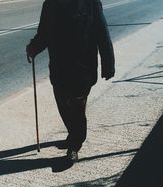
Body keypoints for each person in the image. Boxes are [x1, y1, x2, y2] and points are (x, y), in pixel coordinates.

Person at [26, 0, 115, 164]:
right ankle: (73, 134)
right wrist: (33, 47)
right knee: (63, 103)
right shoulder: (51, 4)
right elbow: (44, 33)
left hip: (84, 67)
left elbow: (102, 33)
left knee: (77, 106)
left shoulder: (91, 3)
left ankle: (75, 144)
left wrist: (108, 64)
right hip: (59, 67)